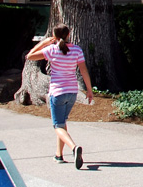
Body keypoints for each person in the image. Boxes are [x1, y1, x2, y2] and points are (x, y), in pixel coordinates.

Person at [27, 26, 94, 169]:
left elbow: (30, 56)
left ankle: (74, 148)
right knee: (62, 122)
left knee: (57, 126)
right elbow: (83, 70)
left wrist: (44, 43)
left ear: (54, 35)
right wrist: (89, 90)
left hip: (57, 92)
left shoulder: (51, 50)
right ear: (69, 34)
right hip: (72, 92)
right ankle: (59, 154)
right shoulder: (77, 50)